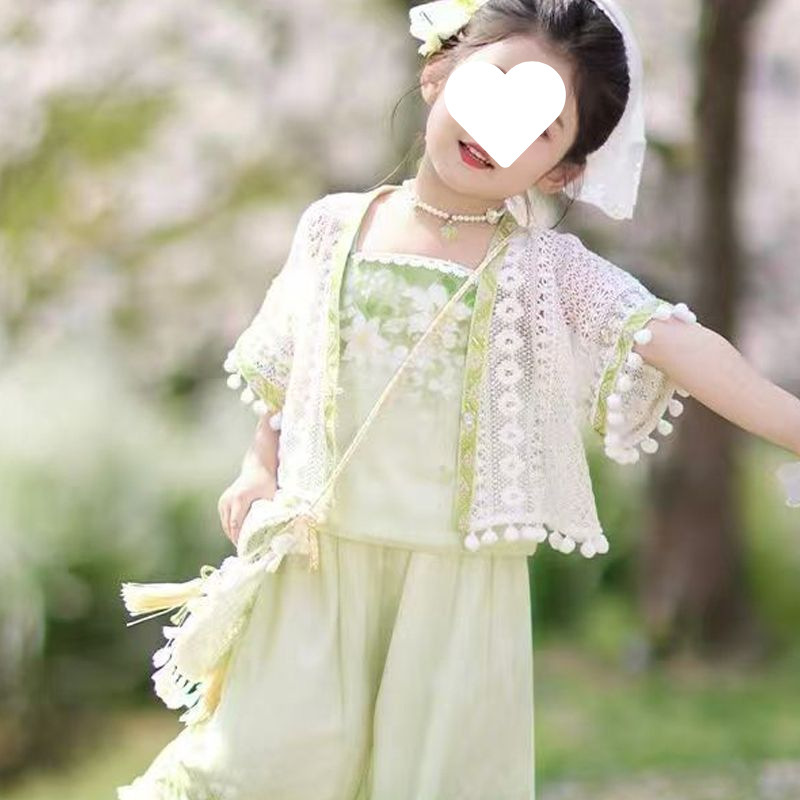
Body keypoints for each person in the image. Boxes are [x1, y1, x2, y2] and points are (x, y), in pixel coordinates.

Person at [116, 1, 800, 798]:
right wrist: (257, 467)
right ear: (438, 71)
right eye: (493, 84)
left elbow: (678, 343)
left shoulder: (545, 271)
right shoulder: (334, 228)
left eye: (541, 130)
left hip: (450, 596)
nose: (497, 131)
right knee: (251, 772)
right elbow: (293, 377)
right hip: (315, 570)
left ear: (561, 170)